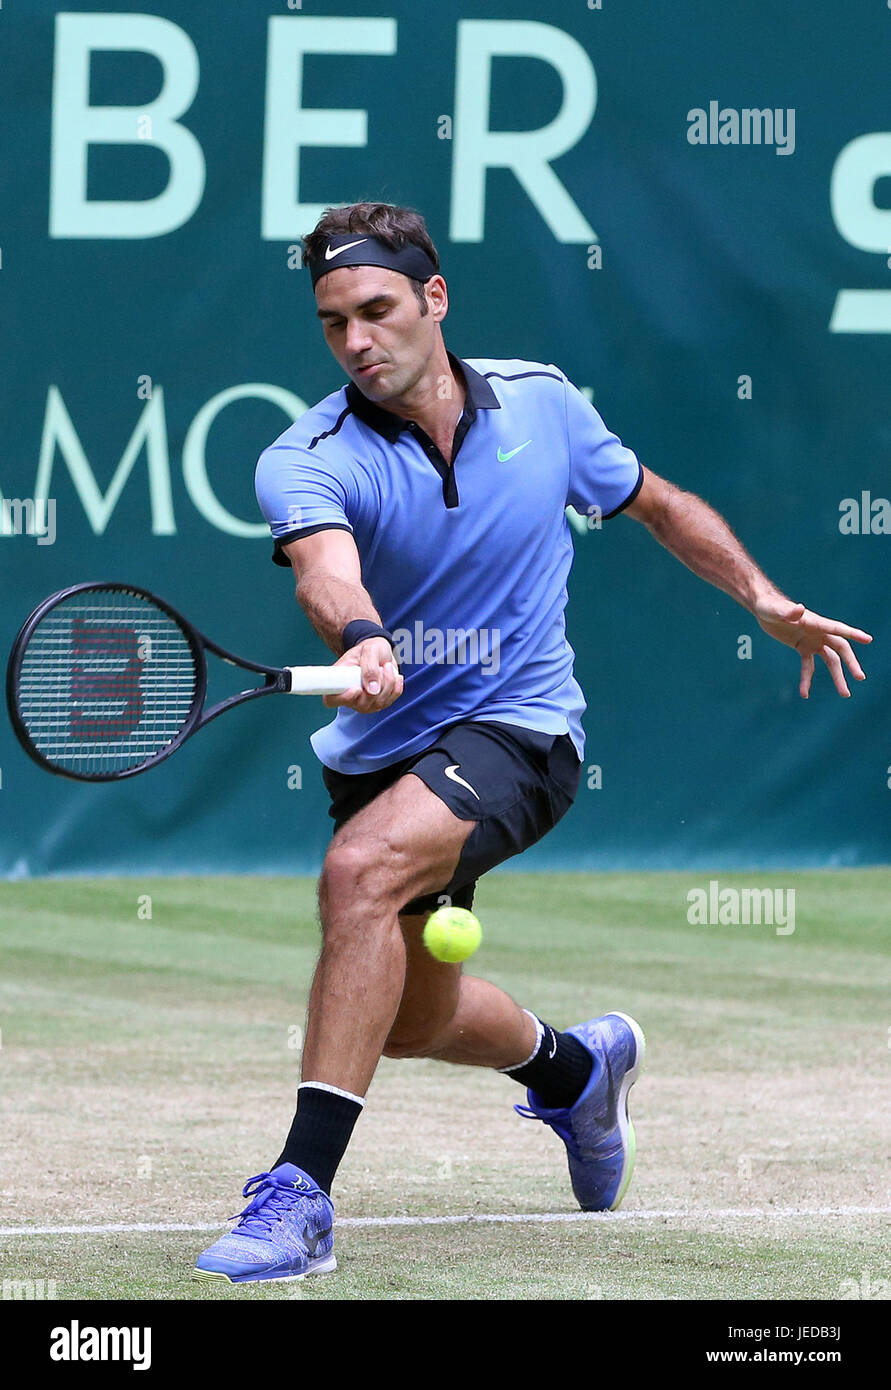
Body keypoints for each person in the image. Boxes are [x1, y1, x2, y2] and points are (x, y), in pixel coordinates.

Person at [194, 202, 871, 1285]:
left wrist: (764, 597)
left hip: (525, 729)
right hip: (384, 759)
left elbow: (657, 503)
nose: (358, 341)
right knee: (407, 1018)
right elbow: (327, 569)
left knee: (357, 874)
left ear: (434, 297)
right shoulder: (306, 454)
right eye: (334, 325)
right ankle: (574, 1069)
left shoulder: (544, 405)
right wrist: (362, 636)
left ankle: (300, 1197)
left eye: (376, 310)